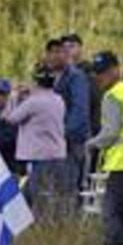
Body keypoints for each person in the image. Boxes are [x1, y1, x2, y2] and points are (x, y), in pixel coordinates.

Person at [3, 63, 67, 220]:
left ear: (36, 82)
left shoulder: (34, 102)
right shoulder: (59, 100)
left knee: (38, 199)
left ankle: (38, 232)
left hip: (39, 157)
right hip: (57, 155)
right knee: (47, 197)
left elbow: (9, 118)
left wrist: (13, 97)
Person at [86, 51, 123, 245]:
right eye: (95, 74)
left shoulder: (113, 96)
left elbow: (111, 133)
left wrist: (92, 143)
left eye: (102, 73)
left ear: (115, 69)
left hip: (121, 168)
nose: (98, 78)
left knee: (112, 219)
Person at [47, 37, 91, 200]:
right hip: (53, 144)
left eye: (60, 51)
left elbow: (80, 111)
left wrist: (62, 134)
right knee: (53, 190)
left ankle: (70, 224)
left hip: (72, 143)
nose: (55, 55)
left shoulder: (76, 76)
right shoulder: (48, 78)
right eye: (51, 52)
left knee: (69, 190)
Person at [62, 33, 103, 165]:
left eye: (72, 46)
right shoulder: (63, 74)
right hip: (67, 136)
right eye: (64, 47)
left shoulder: (90, 72)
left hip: (88, 134)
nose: (67, 50)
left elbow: (90, 101)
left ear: (81, 48)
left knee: (82, 180)